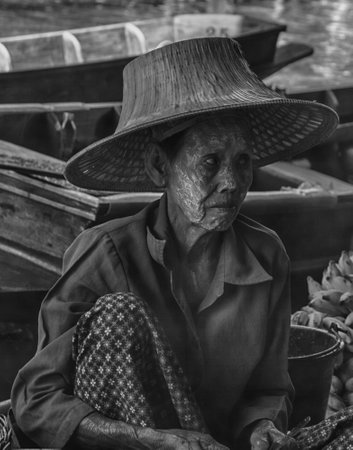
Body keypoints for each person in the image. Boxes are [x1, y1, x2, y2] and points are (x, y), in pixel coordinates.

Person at [10, 37, 338, 450]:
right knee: (118, 315)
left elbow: (269, 389)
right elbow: (34, 402)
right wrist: (144, 439)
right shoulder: (105, 254)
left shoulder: (266, 254)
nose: (232, 183)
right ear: (159, 167)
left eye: (243, 161)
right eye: (210, 162)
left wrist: (262, 430)